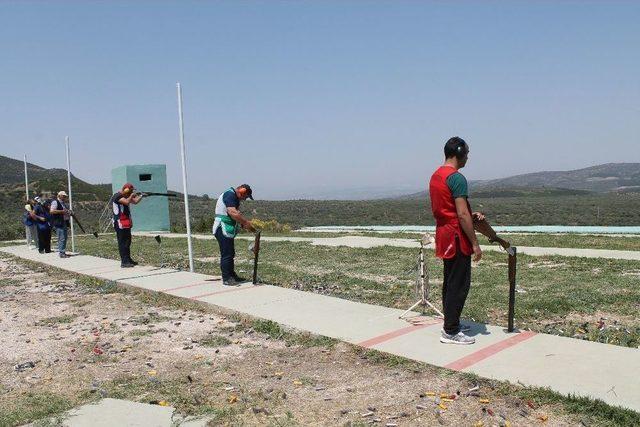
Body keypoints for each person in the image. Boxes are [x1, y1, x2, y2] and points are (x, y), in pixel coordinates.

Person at [429, 137, 483, 345]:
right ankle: (450, 331)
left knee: (450, 281)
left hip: (444, 233)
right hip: (457, 236)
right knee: (459, 284)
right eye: (467, 153)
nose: (468, 158)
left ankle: (452, 322)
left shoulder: (436, 176)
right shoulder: (457, 178)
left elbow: (450, 208)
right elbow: (461, 214)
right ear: (459, 153)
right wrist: (475, 243)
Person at [212, 184, 256, 286]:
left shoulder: (233, 197)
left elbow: (236, 214)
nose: (244, 199)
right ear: (242, 191)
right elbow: (232, 212)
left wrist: (241, 222)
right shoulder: (230, 195)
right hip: (221, 227)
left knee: (230, 253)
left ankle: (232, 275)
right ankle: (227, 278)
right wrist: (245, 223)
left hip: (226, 228)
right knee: (226, 254)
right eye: (245, 196)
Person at [110, 183, 143, 268]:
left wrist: (142, 196)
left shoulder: (125, 196)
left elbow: (135, 202)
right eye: (130, 191)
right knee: (122, 243)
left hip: (126, 222)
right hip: (119, 223)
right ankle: (124, 262)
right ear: (126, 190)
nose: (131, 193)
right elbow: (127, 202)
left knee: (128, 242)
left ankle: (128, 259)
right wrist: (132, 195)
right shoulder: (117, 196)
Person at [50, 191, 72, 258]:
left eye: (65, 196)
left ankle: (63, 252)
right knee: (61, 238)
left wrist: (69, 212)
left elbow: (65, 212)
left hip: (64, 222)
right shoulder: (55, 202)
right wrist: (62, 211)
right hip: (59, 222)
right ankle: (61, 253)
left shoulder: (63, 203)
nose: (65, 197)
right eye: (63, 196)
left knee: (64, 237)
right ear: (59, 195)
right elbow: (52, 211)